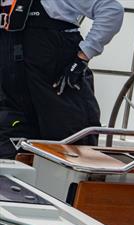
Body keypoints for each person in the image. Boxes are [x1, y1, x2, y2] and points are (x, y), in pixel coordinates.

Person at [0, 0, 124, 159]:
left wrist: (82, 58)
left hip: (63, 105)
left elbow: (111, 10)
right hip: (15, 108)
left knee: (69, 171)